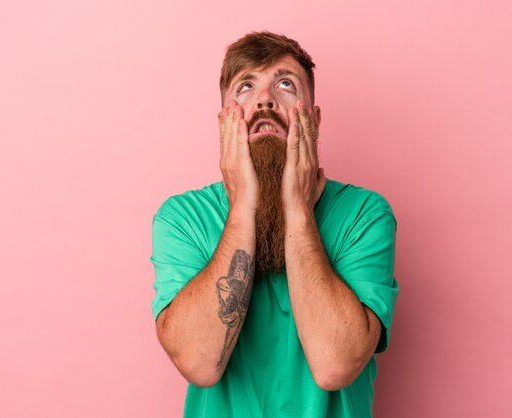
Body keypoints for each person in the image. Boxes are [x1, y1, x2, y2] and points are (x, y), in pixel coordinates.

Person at [150, 31, 398, 418]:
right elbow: (199, 364)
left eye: (285, 84)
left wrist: (297, 209)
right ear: (225, 122)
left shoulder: (365, 214)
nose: (265, 99)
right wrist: (244, 206)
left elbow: (334, 366)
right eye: (245, 86)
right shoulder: (182, 218)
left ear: (313, 119)